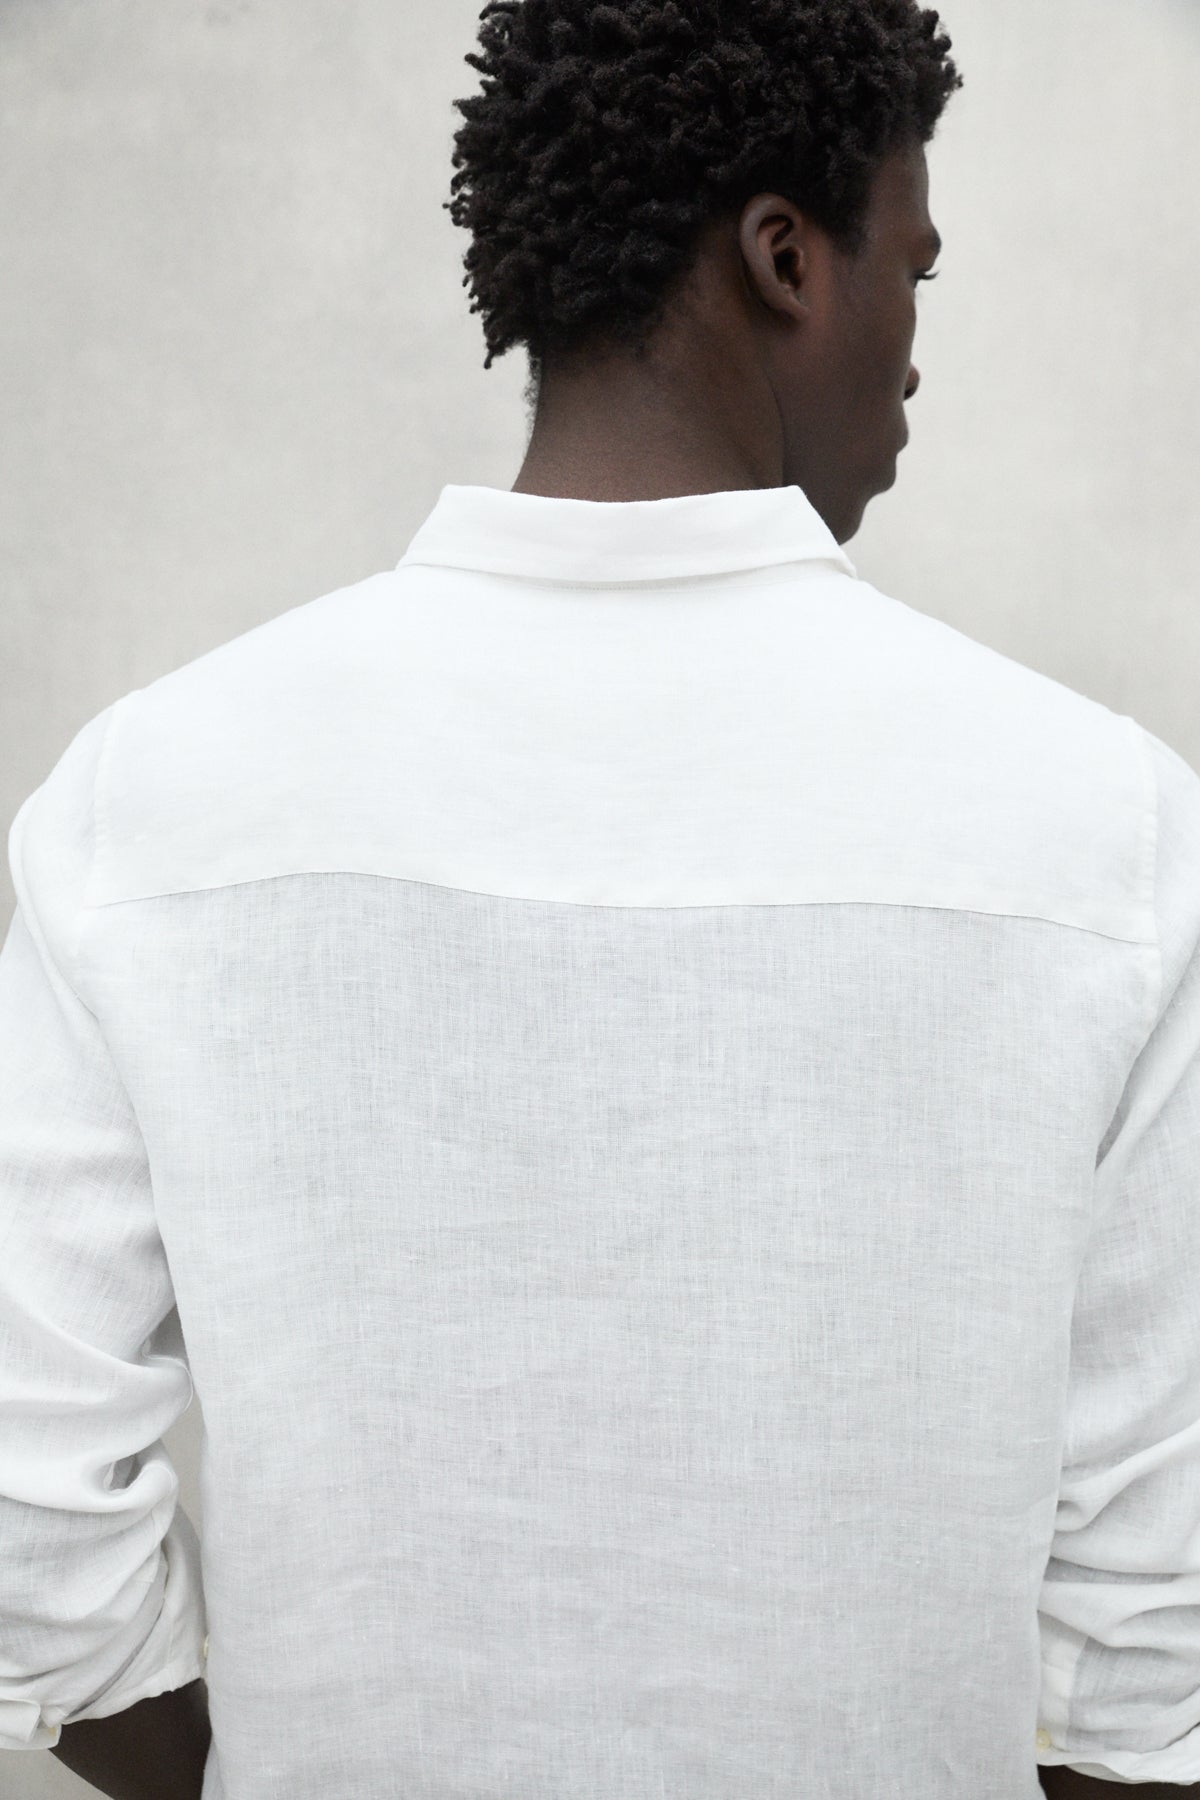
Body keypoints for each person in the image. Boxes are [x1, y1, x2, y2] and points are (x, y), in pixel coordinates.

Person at [2, 1, 1199, 1796]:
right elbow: (1152, 1640)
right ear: (786, 259)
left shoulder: (145, 806)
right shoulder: (1110, 835)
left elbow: (25, 1516)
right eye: (914, 273)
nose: (914, 355)